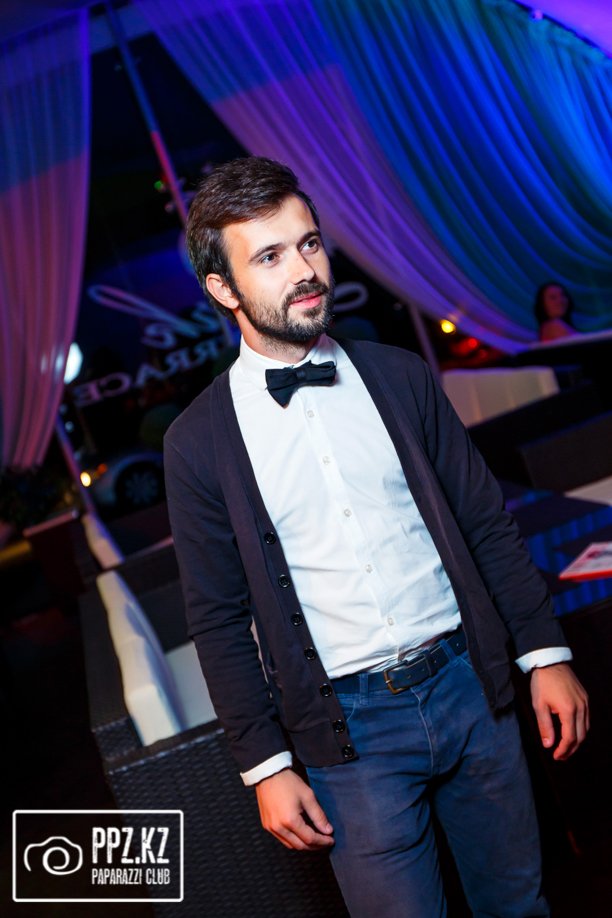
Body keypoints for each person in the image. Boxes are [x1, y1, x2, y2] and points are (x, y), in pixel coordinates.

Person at [164, 157, 589, 918]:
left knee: (519, 904)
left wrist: (544, 653)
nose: (305, 270)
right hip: (348, 735)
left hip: (471, 687)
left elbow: (484, 522)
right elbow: (219, 619)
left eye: (309, 244)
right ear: (223, 289)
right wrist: (265, 764)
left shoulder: (400, 375)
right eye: (270, 256)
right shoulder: (198, 443)